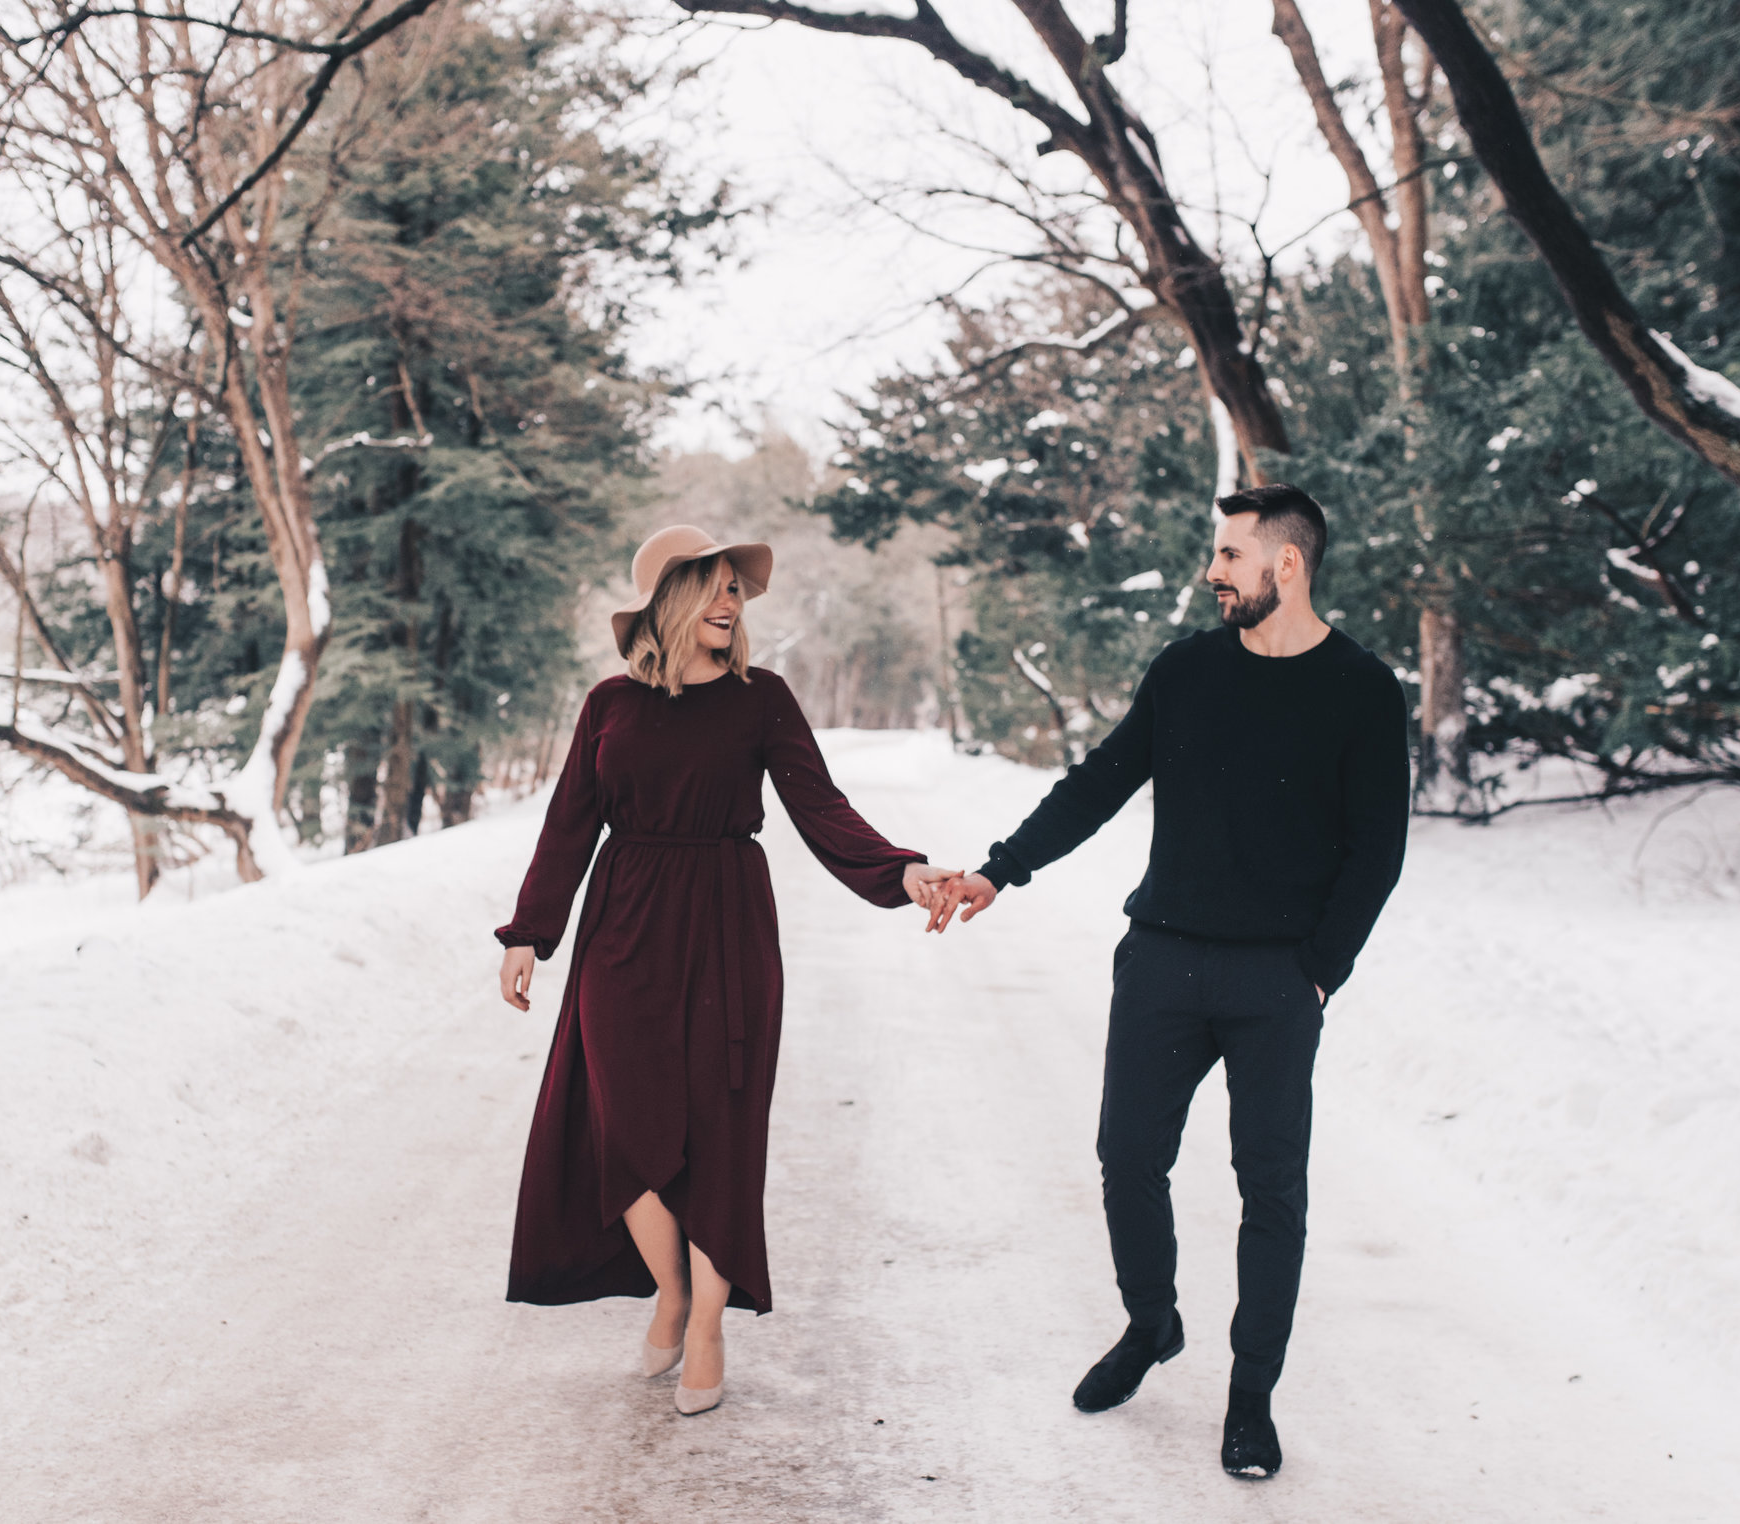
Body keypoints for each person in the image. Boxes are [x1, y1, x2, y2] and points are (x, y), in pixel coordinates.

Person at [943, 484, 1410, 1479]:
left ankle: (1249, 1399)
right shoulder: (1187, 672)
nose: (1213, 573)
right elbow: (1101, 782)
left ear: (1286, 564)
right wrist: (999, 867)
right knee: (1125, 1160)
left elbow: (1377, 851)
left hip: (1276, 980)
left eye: (1230, 555)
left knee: (1269, 1189)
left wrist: (1318, 973)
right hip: (1162, 958)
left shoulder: (1362, 691)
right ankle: (1151, 1324)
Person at [495, 525, 963, 1417]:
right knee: (619, 1125)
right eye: (710, 587)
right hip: (622, 924)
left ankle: (707, 1316)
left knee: (721, 1126)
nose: (729, 602)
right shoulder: (608, 705)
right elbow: (568, 824)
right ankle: (670, 1285)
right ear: (666, 601)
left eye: (735, 591)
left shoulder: (762, 700)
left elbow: (822, 808)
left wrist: (902, 871)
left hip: (725, 921)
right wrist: (529, 932)